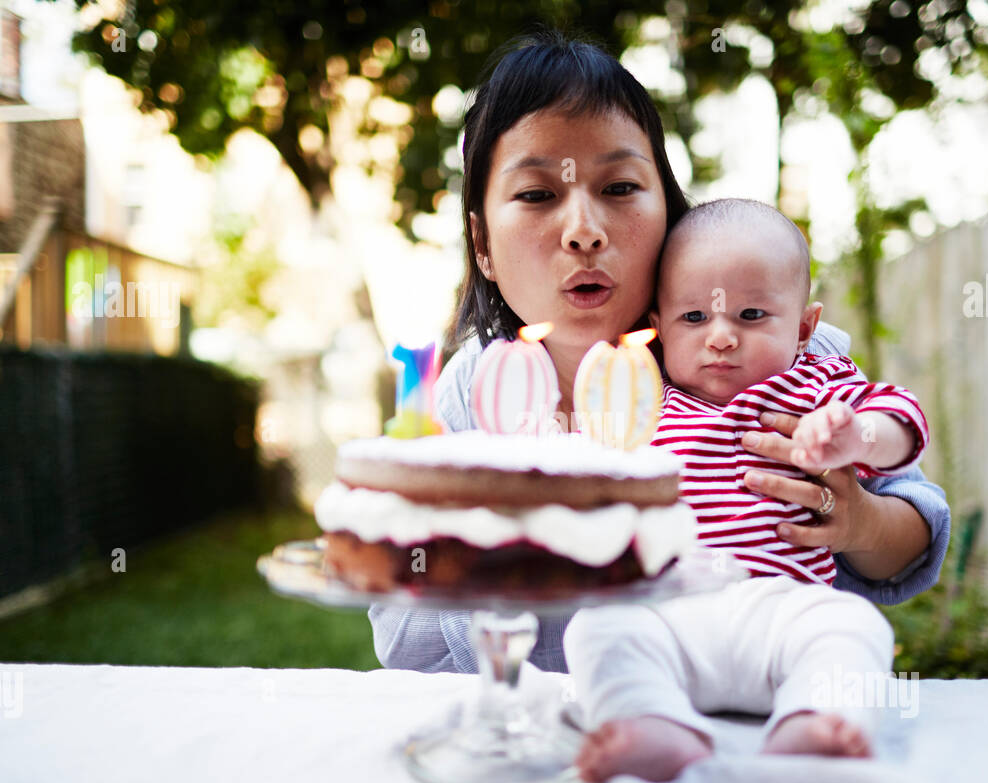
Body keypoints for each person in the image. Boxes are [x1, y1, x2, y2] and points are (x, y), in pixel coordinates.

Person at [367, 30, 950, 675]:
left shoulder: (773, 359)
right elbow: (404, 641)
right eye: (537, 194)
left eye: (618, 188)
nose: (584, 231)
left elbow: (914, 539)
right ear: (482, 244)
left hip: (739, 721)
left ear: (669, 210)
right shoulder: (466, 397)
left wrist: (860, 522)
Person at [564, 198, 928, 783]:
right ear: (656, 325)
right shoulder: (641, 403)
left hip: (780, 606)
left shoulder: (816, 384)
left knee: (853, 627)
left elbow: (902, 417)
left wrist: (854, 437)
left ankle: (817, 720)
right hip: (665, 610)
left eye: (752, 315)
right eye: (693, 319)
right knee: (596, 628)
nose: (721, 338)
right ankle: (651, 723)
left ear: (805, 328)